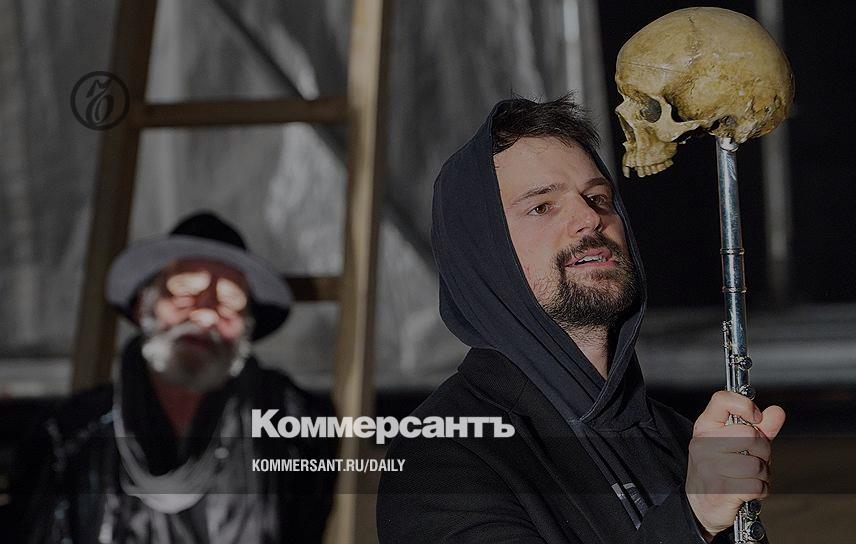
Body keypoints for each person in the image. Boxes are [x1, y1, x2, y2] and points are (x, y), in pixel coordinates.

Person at [376, 97, 785, 543]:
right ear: (483, 254)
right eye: (541, 206)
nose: (590, 218)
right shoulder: (437, 461)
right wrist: (692, 519)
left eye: (598, 197)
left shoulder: (678, 437)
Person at [10, 212, 337, 543]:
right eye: (185, 289)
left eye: (230, 299)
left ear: (245, 327)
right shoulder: (71, 437)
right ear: (144, 305)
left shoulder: (295, 432)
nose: (206, 312)